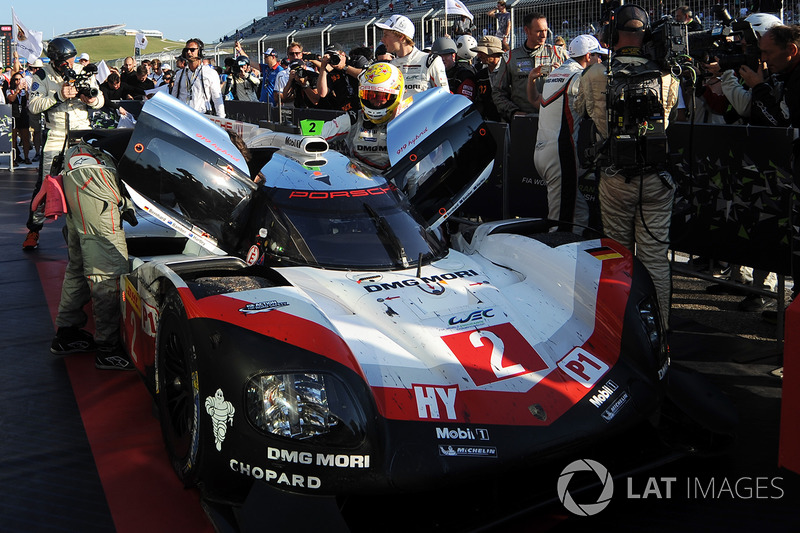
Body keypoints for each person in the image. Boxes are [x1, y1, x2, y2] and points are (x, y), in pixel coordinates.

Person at [575, 4, 680, 329]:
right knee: (654, 258)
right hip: (656, 178)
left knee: (619, 254)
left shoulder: (594, 73)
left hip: (615, 177)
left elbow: (587, 113)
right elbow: (671, 116)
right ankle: (659, 332)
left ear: (611, 34)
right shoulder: (666, 75)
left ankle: (623, 331)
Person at [49, 138, 135, 370]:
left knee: (79, 262)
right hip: (95, 172)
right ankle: (108, 348)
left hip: (81, 163)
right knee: (108, 268)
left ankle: (68, 333)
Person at [23, 37, 104, 251]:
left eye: (73, 59)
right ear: (56, 61)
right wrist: (58, 95)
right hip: (56, 135)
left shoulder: (84, 71)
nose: (71, 63)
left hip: (82, 134)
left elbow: (100, 99)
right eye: (67, 60)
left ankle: (87, 232)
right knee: (45, 184)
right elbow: (33, 105)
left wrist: (91, 100)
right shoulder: (42, 75)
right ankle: (34, 229)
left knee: (87, 183)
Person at [532, 34, 608, 230]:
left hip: (542, 151)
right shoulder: (578, 77)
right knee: (560, 224)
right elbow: (592, 110)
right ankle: (552, 258)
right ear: (588, 56)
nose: (600, 61)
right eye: (598, 56)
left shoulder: (555, 73)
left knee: (579, 214)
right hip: (560, 155)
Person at [322, 62, 411, 171]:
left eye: (382, 97)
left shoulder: (409, 119)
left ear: (397, 95)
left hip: (398, 181)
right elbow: (320, 134)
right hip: (362, 180)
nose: (375, 102)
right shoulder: (354, 118)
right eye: (369, 95)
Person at [492, 12, 568, 122]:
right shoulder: (510, 58)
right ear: (527, 30)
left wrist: (563, 75)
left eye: (546, 30)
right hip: (524, 121)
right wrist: (513, 112)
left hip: (554, 119)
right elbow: (498, 92)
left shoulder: (558, 54)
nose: (544, 35)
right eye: (539, 31)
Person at [376, 14, 448, 97]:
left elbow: (445, 98)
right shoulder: (390, 66)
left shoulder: (430, 61)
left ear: (401, 37)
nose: (382, 40)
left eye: (386, 35)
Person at [170, 38, 225, 117]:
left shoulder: (210, 73)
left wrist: (221, 119)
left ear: (200, 52)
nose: (189, 52)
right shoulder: (179, 74)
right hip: (182, 116)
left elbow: (217, 98)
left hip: (201, 116)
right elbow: (174, 97)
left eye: (192, 50)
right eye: (186, 50)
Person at [317, 43, 365, 112]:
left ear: (343, 54)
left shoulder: (357, 61)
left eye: (334, 55)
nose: (333, 59)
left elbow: (366, 76)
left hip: (363, 107)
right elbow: (322, 93)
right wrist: (323, 68)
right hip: (346, 111)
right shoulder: (332, 73)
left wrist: (344, 67)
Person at [472, 35, 504, 121]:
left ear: (494, 52)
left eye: (481, 52)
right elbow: (480, 101)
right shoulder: (480, 76)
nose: (478, 55)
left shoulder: (508, 71)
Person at [6, 72, 33, 164]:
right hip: (13, 115)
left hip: (23, 115)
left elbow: (29, 99)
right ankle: (13, 158)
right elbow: (11, 99)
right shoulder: (10, 90)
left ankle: (26, 157)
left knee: (25, 137)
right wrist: (17, 90)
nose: (18, 81)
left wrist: (25, 90)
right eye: (16, 79)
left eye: (20, 79)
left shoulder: (25, 91)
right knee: (13, 138)